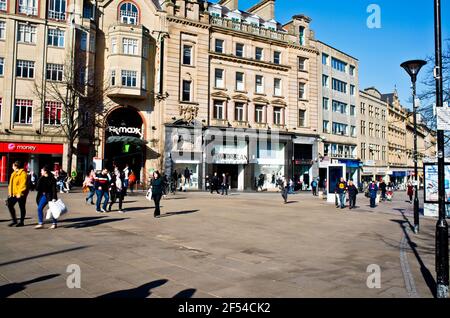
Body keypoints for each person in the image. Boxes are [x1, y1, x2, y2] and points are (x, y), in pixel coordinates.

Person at [7, 161, 29, 227]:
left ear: (16, 166)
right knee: (9, 204)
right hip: (14, 193)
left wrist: (20, 193)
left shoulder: (23, 173)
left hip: (21, 194)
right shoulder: (13, 173)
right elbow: (11, 185)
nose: (12, 167)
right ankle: (14, 220)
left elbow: (23, 184)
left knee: (22, 207)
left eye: (13, 166)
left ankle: (21, 222)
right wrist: (10, 193)